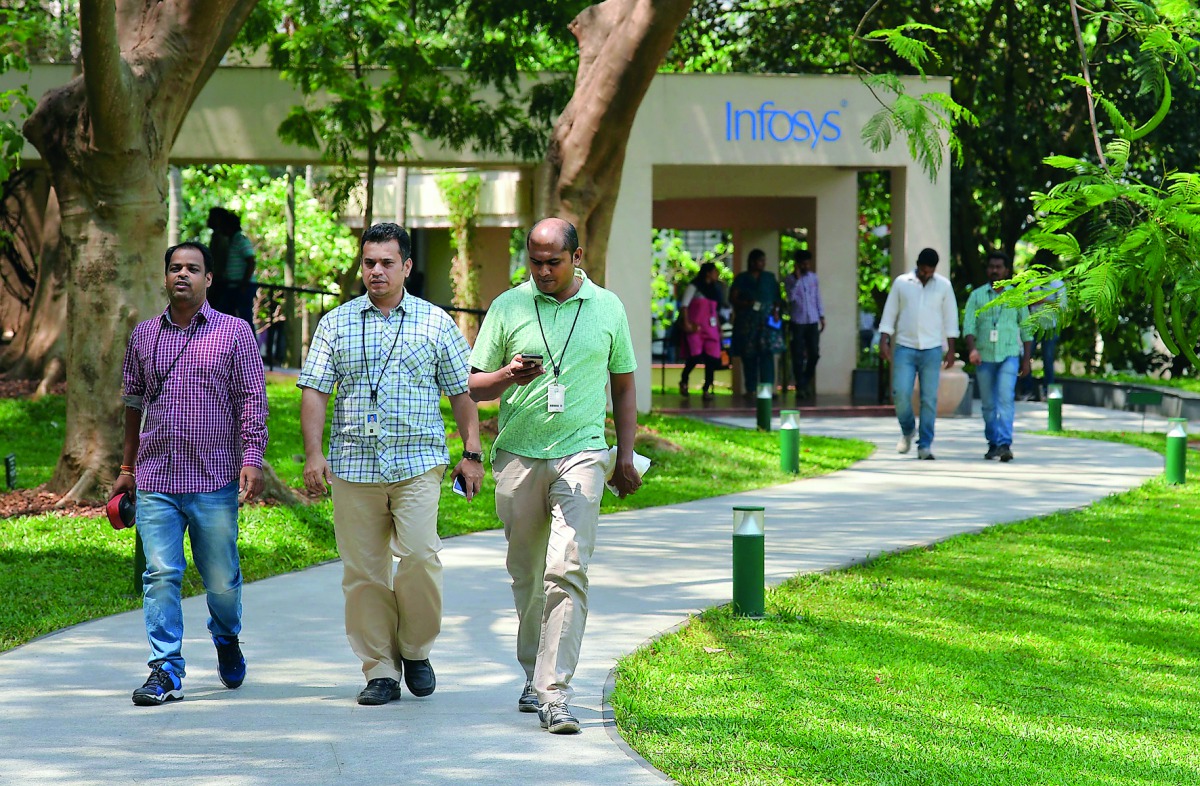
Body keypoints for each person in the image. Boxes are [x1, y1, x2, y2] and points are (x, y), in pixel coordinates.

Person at [297, 222, 484, 707]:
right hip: (354, 466)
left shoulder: (436, 322)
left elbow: (462, 393)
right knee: (363, 573)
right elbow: (315, 391)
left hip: (417, 462)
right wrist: (314, 453)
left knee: (421, 556)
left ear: (406, 266)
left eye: (385, 262)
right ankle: (380, 668)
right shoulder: (335, 323)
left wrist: (472, 452)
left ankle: (415, 649)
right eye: (368, 262)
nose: (375, 270)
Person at [468, 217, 641, 735]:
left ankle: (555, 692)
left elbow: (626, 387)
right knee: (527, 577)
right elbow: (474, 387)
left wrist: (625, 454)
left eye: (553, 262)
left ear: (577, 257)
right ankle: (533, 672)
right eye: (535, 262)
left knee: (566, 569)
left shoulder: (607, 307)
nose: (543, 271)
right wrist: (507, 376)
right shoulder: (508, 306)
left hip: (582, 453)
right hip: (518, 455)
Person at [113, 241, 268, 706]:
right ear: (165, 277)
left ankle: (226, 637)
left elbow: (252, 402)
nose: (183, 275)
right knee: (161, 574)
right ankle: (165, 669)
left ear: (209, 279)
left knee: (220, 579)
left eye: (193, 269)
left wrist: (252, 458)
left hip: (213, 480)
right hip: (157, 478)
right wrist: (126, 468)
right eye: (175, 268)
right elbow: (133, 408)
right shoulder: (143, 336)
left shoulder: (235, 333)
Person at [879, 248, 959, 460]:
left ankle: (925, 445)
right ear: (917, 265)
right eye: (923, 270)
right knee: (900, 393)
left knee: (929, 399)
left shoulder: (943, 286)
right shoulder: (902, 283)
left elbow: (950, 318)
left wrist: (951, 349)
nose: (926, 274)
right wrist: (884, 340)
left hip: (932, 349)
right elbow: (890, 313)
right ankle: (907, 430)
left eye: (930, 271)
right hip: (905, 346)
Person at [964, 251, 1033, 462]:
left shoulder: (1017, 295)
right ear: (988, 269)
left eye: (999, 267)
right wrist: (972, 349)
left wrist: (1026, 359)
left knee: (1005, 399)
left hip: (1009, 355)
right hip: (984, 357)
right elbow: (968, 325)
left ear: (1006, 270)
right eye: (991, 267)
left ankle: (1005, 443)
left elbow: (1027, 328)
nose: (995, 271)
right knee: (988, 405)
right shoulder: (977, 296)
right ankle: (992, 442)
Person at [730, 248, 781, 402]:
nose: (763, 264)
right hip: (747, 322)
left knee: (767, 355)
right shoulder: (742, 278)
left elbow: (777, 299)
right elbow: (733, 298)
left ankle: (767, 388)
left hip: (766, 323)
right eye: (760, 261)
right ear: (752, 262)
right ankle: (751, 389)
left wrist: (776, 312)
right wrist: (745, 303)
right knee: (749, 355)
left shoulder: (769, 278)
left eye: (764, 261)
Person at [783, 249, 825, 401]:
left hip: (812, 320)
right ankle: (800, 386)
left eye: (808, 263)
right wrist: (797, 279)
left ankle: (804, 381)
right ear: (798, 264)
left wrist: (822, 315)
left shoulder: (814, 278)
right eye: (803, 264)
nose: (806, 266)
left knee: (814, 353)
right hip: (798, 321)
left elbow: (817, 297)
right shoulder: (789, 279)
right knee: (797, 354)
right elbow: (791, 298)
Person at [678, 262, 723, 401]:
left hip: (711, 328)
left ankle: (706, 389)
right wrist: (686, 323)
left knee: (711, 358)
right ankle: (684, 380)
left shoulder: (715, 290)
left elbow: (716, 311)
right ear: (708, 273)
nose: (717, 274)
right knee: (695, 356)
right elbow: (684, 305)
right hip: (696, 327)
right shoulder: (694, 286)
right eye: (715, 271)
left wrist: (719, 328)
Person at [1020, 274, 1067, 400]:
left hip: (1051, 326)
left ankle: (1048, 392)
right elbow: (1024, 303)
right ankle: (1027, 391)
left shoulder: (1058, 284)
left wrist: (1045, 301)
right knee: (1026, 356)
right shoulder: (1031, 282)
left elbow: (1062, 306)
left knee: (1048, 359)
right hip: (1034, 326)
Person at [207, 207, 256, 324]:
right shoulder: (233, 240)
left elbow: (251, 261)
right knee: (226, 312)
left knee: (244, 316)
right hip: (233, 285)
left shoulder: (240, 239)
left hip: (240, 285)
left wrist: (244, 283)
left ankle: (248, 341)